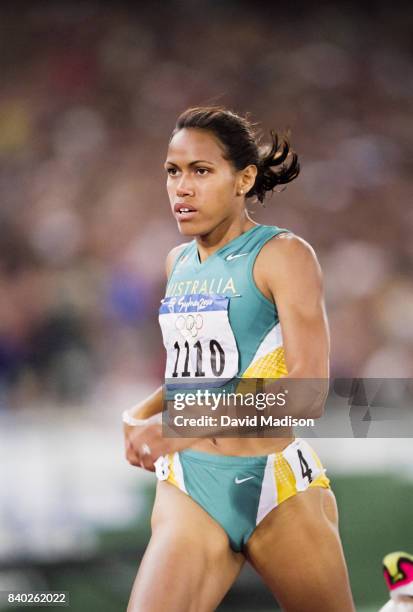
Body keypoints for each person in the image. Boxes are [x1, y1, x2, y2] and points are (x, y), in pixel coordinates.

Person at [123, 106, 355, 611]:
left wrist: (179, 425)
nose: (181, 188)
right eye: (173, 172)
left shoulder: (284, 255)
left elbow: (309, 394)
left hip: (278, 485)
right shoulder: (177, 263)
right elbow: (201, 377)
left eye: (201, 171)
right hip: (193, 486)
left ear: (244, 178)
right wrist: (142, 413)